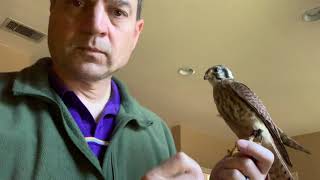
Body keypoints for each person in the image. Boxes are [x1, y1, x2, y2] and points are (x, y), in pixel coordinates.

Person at [0, 0, 274, 179]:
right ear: (52, 10)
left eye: (118, 11)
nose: (95, 25)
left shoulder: (158, 134)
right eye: (78, 2)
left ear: (135, 34)